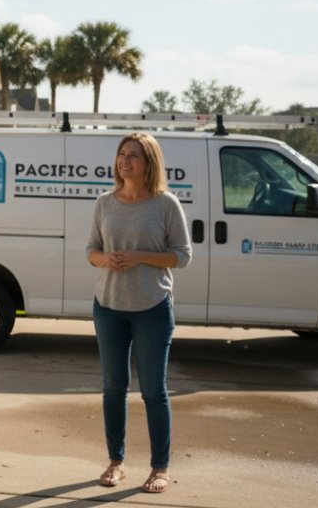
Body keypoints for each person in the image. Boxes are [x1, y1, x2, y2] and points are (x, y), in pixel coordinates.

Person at [86, 132, 191, 494]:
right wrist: (106, 259)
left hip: (152, 309)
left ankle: (159, 468)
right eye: (122, 154)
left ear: (149, 163)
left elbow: (183, 256)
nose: (125, 160)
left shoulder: (166, 204)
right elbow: (92, 250)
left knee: (153, 391)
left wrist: (141, 255)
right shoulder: (104, 202)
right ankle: (116, 462)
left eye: (134, 155)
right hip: (109, 307)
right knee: (113, 389)